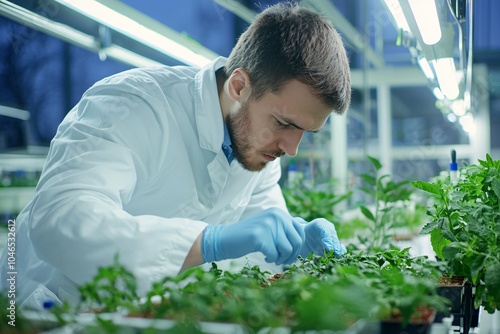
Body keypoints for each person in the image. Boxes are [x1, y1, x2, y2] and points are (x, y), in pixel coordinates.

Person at [0, 2, 351, 309]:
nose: (292, 148)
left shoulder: (258, 149)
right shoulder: (133, 106)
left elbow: (264, 235)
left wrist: (296, 246)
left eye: (306, 132)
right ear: (239, 87)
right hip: (46, 307)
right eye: (285, 123)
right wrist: (207, 241)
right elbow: (61, 222)